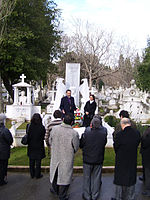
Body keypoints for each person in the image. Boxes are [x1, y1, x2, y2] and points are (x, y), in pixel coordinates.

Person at [49, 113, 79, 200]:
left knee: (58, 173)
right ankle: (62, 195)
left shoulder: (54, 129)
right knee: (63, 176)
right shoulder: (73, 133)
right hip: (66, 156)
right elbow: (76, 146)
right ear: (72, 122)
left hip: (56, 154)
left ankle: (56, 190)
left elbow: (50, 141)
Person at [111, 118, 141, 200]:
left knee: (120, 181)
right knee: (131, 180)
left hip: (121, 160)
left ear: (122, 124)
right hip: (132, 159)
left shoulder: (119, 135)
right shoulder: (136, 133)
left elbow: (116, 146)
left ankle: (118, 197)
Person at [80, 117, 107, 200]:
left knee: (87, 177)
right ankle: (95, 195)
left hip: (87, 158)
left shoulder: (86, 133)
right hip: (98, 158)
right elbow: (104, 143)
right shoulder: (103, 133)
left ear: (91, 124)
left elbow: (81, 145)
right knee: (96, 178)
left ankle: (87, 195)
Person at [27, 113, 46, 179]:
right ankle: (37, 174)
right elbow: (43, 136)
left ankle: (32, 174)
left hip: (31, 145)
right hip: (39, 145)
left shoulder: (29, 126)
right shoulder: (41, 127)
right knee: (38, 161)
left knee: (31, 160)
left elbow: (28, 134)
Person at [0, 113, 13, 186]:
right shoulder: (5, 131)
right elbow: (10, 140)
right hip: (3, 151)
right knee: (3, 166)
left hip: (3, 150)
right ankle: (1, 180)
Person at [141, 127, 150, 197]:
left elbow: (144, 144)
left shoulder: (146, 135)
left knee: (147, 173)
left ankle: (147, 190)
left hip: (147, 157)